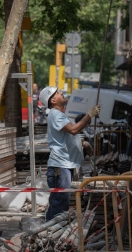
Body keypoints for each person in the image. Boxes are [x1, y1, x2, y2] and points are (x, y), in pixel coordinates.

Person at [39, 86, 100, 221]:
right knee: (60, 204)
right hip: (60, 167)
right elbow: (73, 130)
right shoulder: (55, 114)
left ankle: (47, 232)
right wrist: (89, 115)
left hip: (62, 166)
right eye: (58, 93)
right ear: (53, 100)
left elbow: (67, 137)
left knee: (58, 203)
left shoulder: (59, 115)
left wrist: (83, 144)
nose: (62, 93)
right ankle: (50, 234)